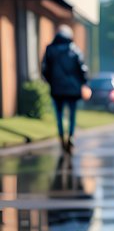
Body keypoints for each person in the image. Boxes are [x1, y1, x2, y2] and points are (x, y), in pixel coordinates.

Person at [42, 24, 88, 153]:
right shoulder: (75, 50)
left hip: (57, 89)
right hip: (73, 89)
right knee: (72, 114)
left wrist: (51, 81)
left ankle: (62, 136)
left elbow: (45, 69)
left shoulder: (50, 50)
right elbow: (82, 69)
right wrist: (83, 82)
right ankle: (71, 136)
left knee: (59, 115)